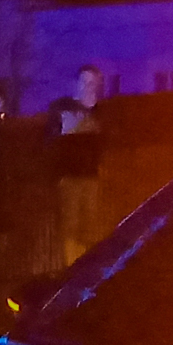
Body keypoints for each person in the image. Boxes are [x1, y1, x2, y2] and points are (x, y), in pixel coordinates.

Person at [45, 64, 106, 265]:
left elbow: (106, 143)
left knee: (91, 228)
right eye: (85, 82)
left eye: (93, 83)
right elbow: (49, 141)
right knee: (70, 227)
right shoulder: (63, 109)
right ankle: (73, 267)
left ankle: (87, 267)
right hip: (69, 177)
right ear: (76, 84)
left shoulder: (102, 112)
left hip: (91, 177)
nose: (89, 87)